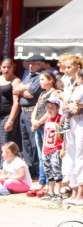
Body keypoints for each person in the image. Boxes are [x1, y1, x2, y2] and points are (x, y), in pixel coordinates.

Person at [13, 55, 46, 185]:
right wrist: (23, 88)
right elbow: (16, 90)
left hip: (33, 110)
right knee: (25, 141)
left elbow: (31, 92)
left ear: (40, 64)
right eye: (29, 63)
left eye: (34, 64)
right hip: (23, 111)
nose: (31, 66)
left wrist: (24, 88)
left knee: (34, 142)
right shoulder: (28, 76)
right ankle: (29, 169)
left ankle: (37, 170)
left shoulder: (40, 76)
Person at [62, 68, 83, 206]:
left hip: (81, 120)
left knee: (80, 154)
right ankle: (74, 189)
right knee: (71, 153)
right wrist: (69, 104)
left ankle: (81, 190)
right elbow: (65, 105)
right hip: (70, 121)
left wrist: (76, 105)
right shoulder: (69, 87)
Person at [29, 69, 61, 194]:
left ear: (50, 80)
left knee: (50, 155)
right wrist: (33, 120)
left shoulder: (54, 93)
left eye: (42, 79)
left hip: (46, 126)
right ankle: (42, 182)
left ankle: (49, 183)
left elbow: (49, 112)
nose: (40, 82)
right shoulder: (42, 94)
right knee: (42, 155)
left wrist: (39, 123)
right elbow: (36, 108)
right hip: (38, 125)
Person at [36, 96, 64, 203]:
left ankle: (58, 193)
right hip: (47, 148)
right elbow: (45, 135)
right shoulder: (47, 119)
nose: (49, 110)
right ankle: (50, 192)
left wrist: (63, 148)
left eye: (52, 107)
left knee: (56, 170)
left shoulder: (60, 119)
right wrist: (43, 149)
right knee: (49, 171)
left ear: (57, 108)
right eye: (48, 107)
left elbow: (64, 135)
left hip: (56, 148)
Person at [0, 58, 21, 147]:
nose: (6, 70)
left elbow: (16, 102)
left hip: (8, 114)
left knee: (5, 142)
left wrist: (11, 120)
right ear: (0, 68)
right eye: (4, 67)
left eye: (9, 67)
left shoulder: (15, 81)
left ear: (13, 68)